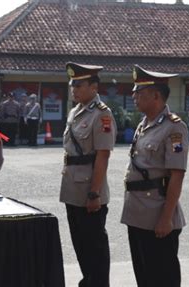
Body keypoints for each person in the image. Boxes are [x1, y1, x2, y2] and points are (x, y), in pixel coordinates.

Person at [122, 65, 188, 287]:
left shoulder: (174, 128)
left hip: (158, 215)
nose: (134, 96)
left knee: (163, 277)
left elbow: (176, 175)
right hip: (138, 213)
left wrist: (166, 218)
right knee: (145, 276)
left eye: (139, 93)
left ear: (156, 96)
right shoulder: (144, 123)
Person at [60, 62, 116, 287]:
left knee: (95, 245)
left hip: (89, 190)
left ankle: (99, 283)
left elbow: (103, 156)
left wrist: (94, 193)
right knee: (80, 243)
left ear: (94, 87)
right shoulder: (75, 111)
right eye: (72, 85)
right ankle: (89, 281)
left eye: (79, 85)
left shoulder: (102, 115)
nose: (74, 89)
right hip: (72, 187)